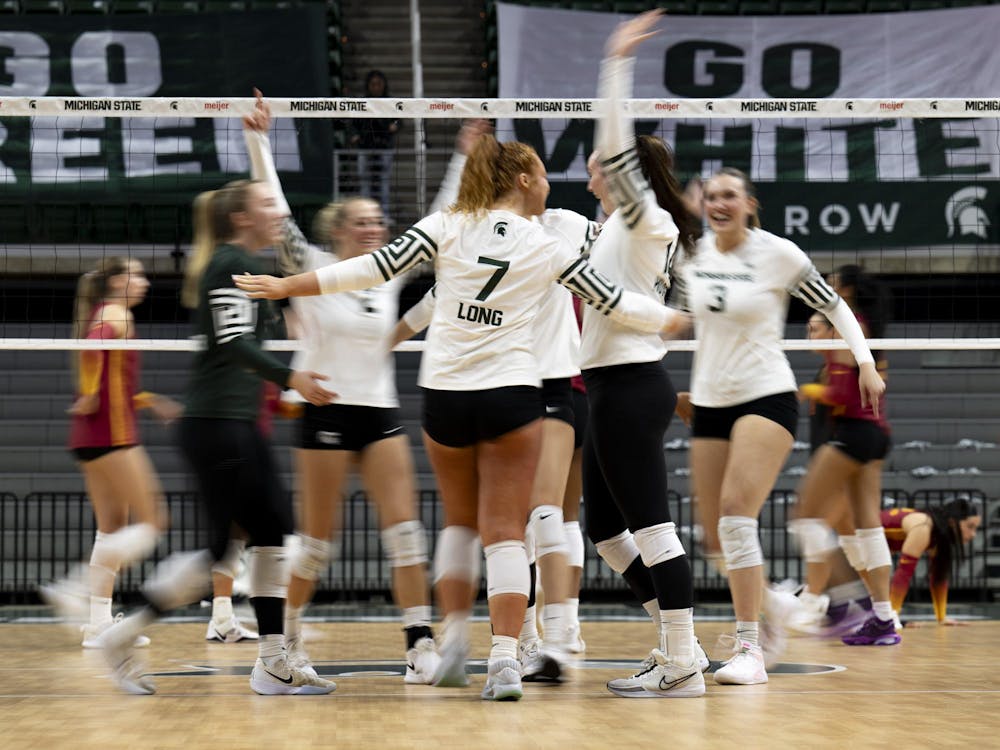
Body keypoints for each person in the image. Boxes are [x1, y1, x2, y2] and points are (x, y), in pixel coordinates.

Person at [235, 132, 687, 701]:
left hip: (445, 393)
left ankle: (451, 640)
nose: (550, 182)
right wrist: (663, 319)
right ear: (522, 181)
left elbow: (374, 267)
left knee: (458, 522)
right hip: (512, 395)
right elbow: (607, 298)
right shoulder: (545, 242)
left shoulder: (446, 224)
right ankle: (504, 658)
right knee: (505, 531)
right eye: (543, 173)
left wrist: (288, 284)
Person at [91, 178, 337, 696]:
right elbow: (231, 342)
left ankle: (272, 661)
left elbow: (245, 341)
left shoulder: (246, 270)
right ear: (241, 219)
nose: (275, 212)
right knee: (224, 550)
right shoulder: (227, 264)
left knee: (271, 535)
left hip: (237, 425)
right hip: (215, 428)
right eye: (265, 205)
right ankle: (122, 635)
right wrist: (290, 377)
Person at [242, 94, 441, 683]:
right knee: (316, 544)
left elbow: (444, 221)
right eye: (362, 221)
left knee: (406, 533)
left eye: (379, 221)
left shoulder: (389, 272)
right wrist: (259, 140)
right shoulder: (313, 264)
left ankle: (419, 642)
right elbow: (276, 212)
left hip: (379, 411)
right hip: (323, 412)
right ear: (339, 230)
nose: (374, 228)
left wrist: (465, 158)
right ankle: (284, 649)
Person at [673, 167, 885, 683]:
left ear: (749, 203)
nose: (719, 204)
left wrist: (865, 363)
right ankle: (773, 607)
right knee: (714, 541)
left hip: (766, 394)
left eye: (730, 196)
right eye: (711, 196)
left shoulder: (779, 253)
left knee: (734, 514)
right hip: (709, 401)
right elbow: (675, 322)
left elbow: (835, 306)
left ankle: (748, 648)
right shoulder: (694, 258)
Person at [575, 12, 707, 700]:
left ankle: (681, 657)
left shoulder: (644, 218)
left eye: (600, 165)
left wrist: (615, 65)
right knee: (604, 529)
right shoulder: (610, 229)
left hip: (631, 384)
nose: (591, 169)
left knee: (652, 528)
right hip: (608, 385)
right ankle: (676, 643)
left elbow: (616, 148)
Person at [41, 258, 180, 649]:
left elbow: (113, 381)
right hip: (113, 436)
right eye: (136, 274)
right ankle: (74, 589)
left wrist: (151, 401)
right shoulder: (115, 313)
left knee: (111, 530)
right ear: (116, 281)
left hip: (88, 437)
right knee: (155, 521)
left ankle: (97, 624)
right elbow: (93, 347)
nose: (144, 282)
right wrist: (87, 392)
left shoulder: (103, 312)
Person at [792, 265, 898, 647]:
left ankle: (834, 599)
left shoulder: (849, 323)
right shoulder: (865, 323)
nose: (825, 285)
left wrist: (806, 390)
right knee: (866, 528)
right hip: (876, 433)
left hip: (854, 432)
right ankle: (885, 619)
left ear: (846, 289)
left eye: (832, 281)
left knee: (804, 514)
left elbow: (841, 393)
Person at [883, 500, 981, 626]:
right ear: (952, 522)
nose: (973, 534)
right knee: (874, 586)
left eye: (976, 528)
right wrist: (893, 617)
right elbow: (903, 573)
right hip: (860, 534)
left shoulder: (938, 535)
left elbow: (938, 578)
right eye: (970, 526)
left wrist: (942, 618)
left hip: (874, 540)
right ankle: (888, 619)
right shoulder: (924, 527)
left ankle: (888, 618)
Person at [350, 70, 399, 216]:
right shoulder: (362, 102)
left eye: (379, 84)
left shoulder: (391, 102)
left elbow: (399, 119)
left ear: (384, 85)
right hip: (365, 147)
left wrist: (395, 125)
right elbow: (353, 123)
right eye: (373, 84)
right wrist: (355, 135)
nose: (376, 87)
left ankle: (384, 216)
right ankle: (366, 214)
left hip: (384, 147)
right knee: (364, 182)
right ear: (368, 85)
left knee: (384, 182)